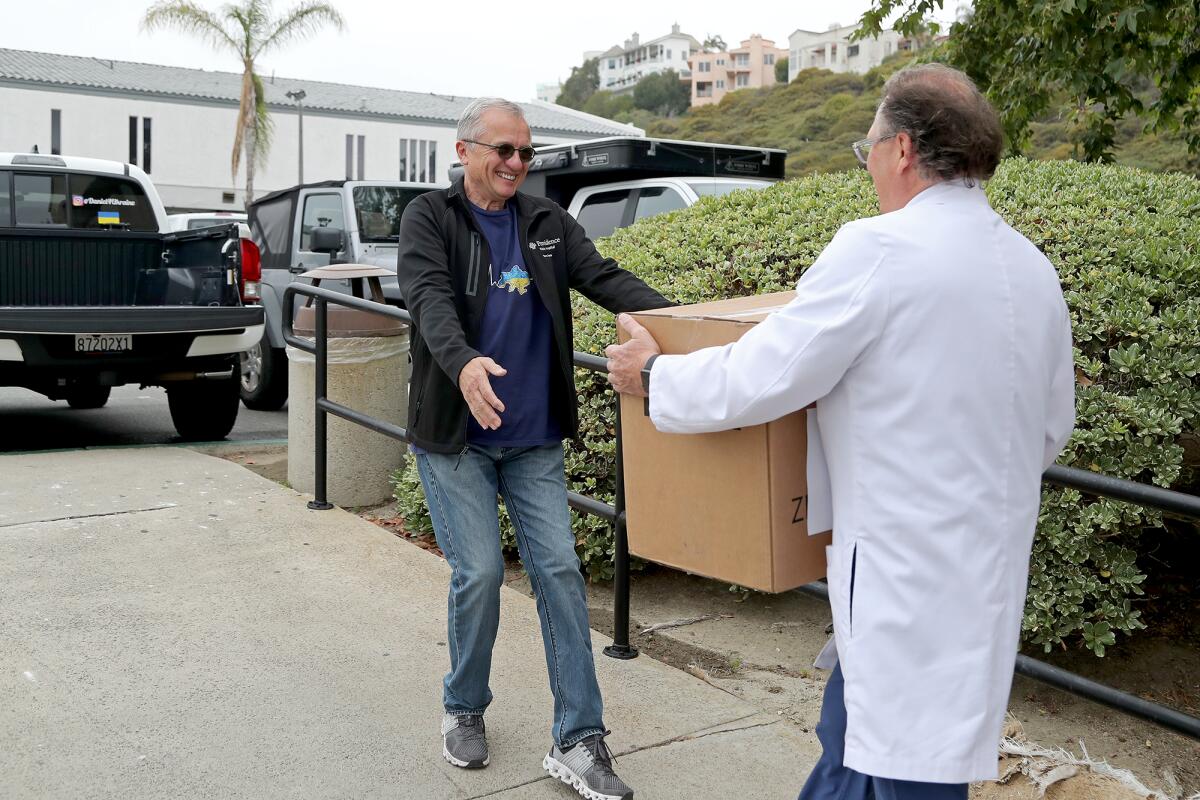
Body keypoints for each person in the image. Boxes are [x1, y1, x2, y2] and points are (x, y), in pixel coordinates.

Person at [605, 64, 1076, 800]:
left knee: (900, 769)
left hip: (899, 574)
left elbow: (764, 373)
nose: (870, 172)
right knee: (856, 745)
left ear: (903, 151)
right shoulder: (1032, 267)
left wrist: (655, 378)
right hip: (981, 568)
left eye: (869, 151)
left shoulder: (880, 250)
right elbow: (1052, 427)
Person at [396, 97, 670, 800]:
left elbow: (604, 277)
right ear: (464, 152)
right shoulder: (430, 219)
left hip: (533, 439)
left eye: (526, 152)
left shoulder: (546, 222)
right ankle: (464, 704)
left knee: (559, 573)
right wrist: (460, 363)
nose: (518, 163)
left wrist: (682, 322)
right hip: (457, 439)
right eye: (504, 151)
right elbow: (428, 300)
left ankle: (580, 738)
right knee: (481, 573)